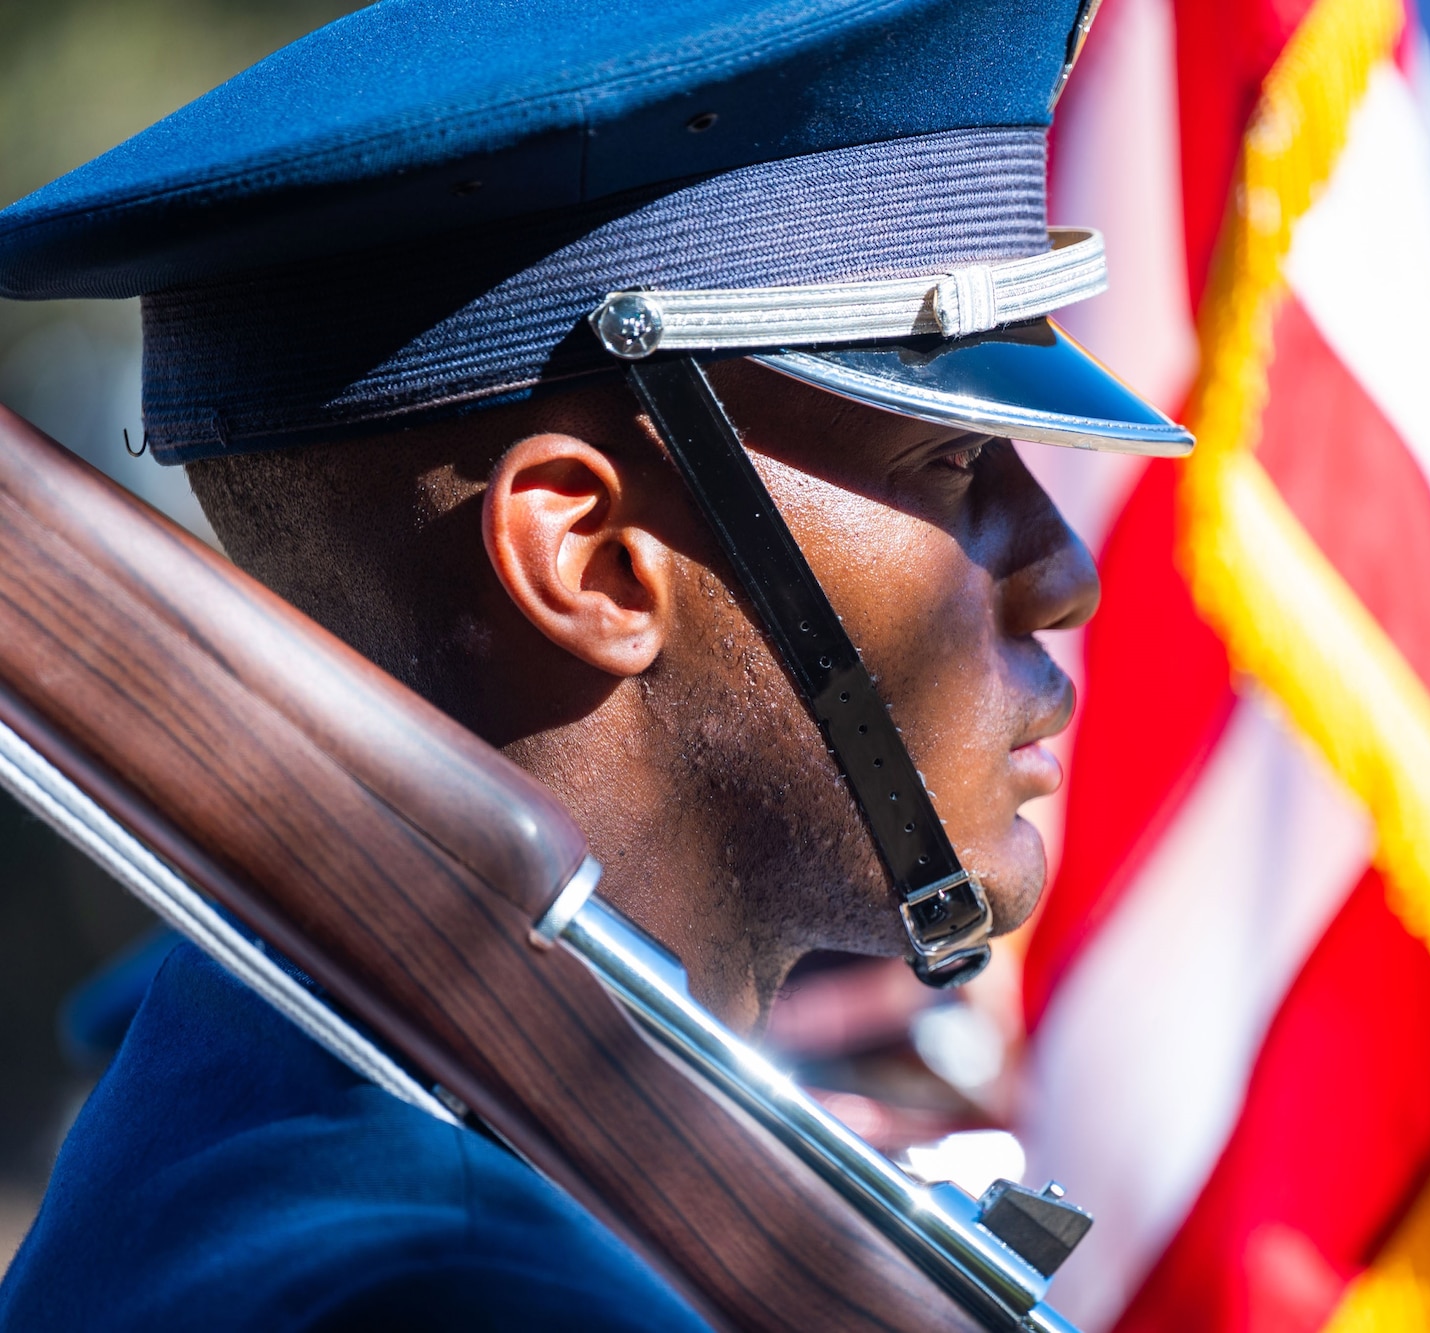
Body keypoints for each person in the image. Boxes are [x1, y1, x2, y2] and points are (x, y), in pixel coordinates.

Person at [0, 0, 1190, 1328]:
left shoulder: (407, 1136)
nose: (1065, 569)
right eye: (953, 465)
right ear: (594, 558)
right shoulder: (460, 1288)